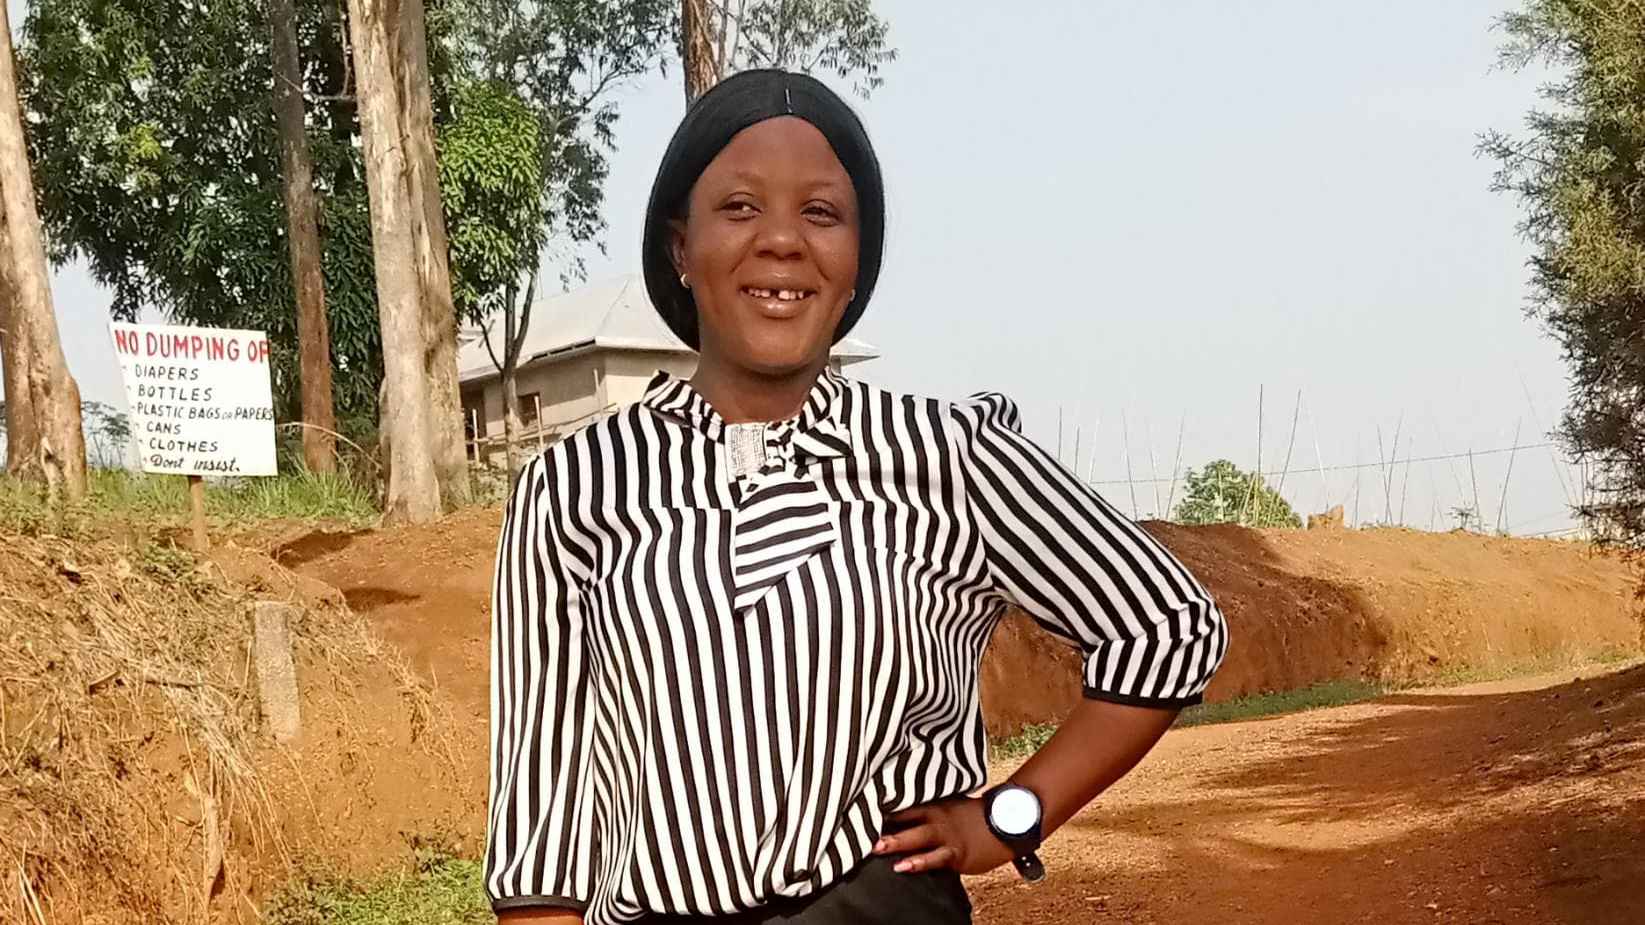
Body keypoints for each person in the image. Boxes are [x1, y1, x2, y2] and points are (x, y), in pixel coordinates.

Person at [486, 69, 1228, 925]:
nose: (781, 241)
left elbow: (1166, 628)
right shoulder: (574, 485)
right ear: (680, 248)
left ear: (854, 263)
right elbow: (541, 819)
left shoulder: (950, 456)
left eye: (820, 212)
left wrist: (1007, 818)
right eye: (738, 207)